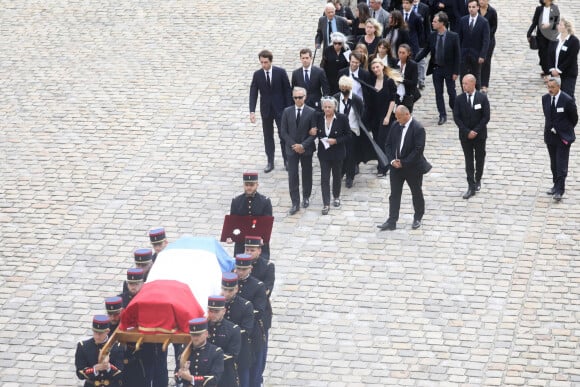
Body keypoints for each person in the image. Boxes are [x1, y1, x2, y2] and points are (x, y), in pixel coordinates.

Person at [378, 105, 429, 230]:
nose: (398, 120)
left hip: (412, 168)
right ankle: (392, 221)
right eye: (396, 117)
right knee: (394, 194)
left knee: (416, 193)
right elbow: (388, 144)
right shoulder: (395, 125)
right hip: (396, 167)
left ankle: (418, 217)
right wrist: (391, 161)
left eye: (399, 117)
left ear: (407, 115)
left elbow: (418, 150)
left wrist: (404, 162)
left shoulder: (418, 128)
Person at [249, 50, 292, 173]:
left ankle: (286, 160)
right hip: (266, 110)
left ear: (271, 61)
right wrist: (252, 111)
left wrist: (288, 109)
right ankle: (270, 161)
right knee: (268, 136)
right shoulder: (257, 75)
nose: (263, 65)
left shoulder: (280, 72)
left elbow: (287, 91)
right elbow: (253, 93)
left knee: (283, 135)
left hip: (280, 109)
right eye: (261, 62)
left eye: (266, 62)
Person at [415, 11, 461, 125]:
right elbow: (426, 51)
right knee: (438, 93)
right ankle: (442, 115)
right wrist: (412, 60)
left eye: (435, 21)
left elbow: (457, 55)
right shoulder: (432, 36)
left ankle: (456, 112)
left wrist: (456, 71)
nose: (432, 23)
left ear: (442, 23)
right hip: (437, 69)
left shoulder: (453, 36)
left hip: (449, 69)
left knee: (451, 92)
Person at [310, 97, 351, 215]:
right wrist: (312, 131)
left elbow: (348, 136)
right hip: (324, 154)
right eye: (325, 107)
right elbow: (313, 127)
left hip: (337, 153)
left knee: (337, 176)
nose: (327, 109)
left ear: (335, 108)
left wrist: (336, 141)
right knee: (324, 178)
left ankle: (336, 196)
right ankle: (326, 203)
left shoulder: (342, 118)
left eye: (330, 107)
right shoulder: (318, 117)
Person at [280, 87, 317, 215]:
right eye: (295, 97)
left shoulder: (311, 112)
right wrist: (294, 145)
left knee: (307, 173)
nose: (297, 100)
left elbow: (313, 133)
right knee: (293, 176)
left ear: (305, 97)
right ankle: (295, 202)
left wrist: (303, 145)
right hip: (291, 149)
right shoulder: (287, 111)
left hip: (306, 149)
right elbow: (283, 132)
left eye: (300, 97)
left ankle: (306, 196)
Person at [452, 74, 490, 199]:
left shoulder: (482, 98)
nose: (463, 86)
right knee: (469, 160)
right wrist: (467, 131)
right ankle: (470, 185)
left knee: (479, 158)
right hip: (465, 136)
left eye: (466, 83)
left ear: (473, 84)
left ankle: (478, 178)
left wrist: (476, 131)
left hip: (479, 136)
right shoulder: (459, 99)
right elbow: (456, 117)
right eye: (462, 83)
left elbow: (486, 117)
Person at [244, 236, 275, 386]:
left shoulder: (267, 266)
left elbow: (266, 291)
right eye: (247, 249)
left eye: (252, 250)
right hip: (242, 316)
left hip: (260, 315)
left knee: (259, 351)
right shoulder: (238, 265)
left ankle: (257, 380)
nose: (249, 252)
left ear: (259, 250)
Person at [234, 254, 267, 387]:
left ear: (250, 269)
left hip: (250, 334)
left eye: (244, 269)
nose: (240, 272)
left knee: (253, 371)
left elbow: (259, 311)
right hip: (231, 334)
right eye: (238, 269)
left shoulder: (257, 286)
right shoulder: (229, 283)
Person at [542, 77, 577, 201]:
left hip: (563, 137)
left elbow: (574, 119)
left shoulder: (567, 100)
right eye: (548, 87)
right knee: (553, 163)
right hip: (550, 137)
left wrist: (564, 129)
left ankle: (560, 190)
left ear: (558, 87)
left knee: (561, 164)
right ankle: (555, 185)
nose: (550, 89)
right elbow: (547, 115)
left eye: (552, 87)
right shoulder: (545, 99)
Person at [366, 58, 399, 177]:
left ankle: (383, 167)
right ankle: (383, 162)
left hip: (386, 116)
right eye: (373, 68)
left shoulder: (389, 81)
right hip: (375, 116)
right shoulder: (372, 80)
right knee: (377, 140)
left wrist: (388, 116)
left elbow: (392, 100)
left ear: (382, 66)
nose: (375, 69)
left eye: (377, 67)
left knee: (382, 141)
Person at [221, 273, 254, 387]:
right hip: (222, 352)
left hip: (241, 352)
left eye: (230, 290)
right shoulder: (216, 306)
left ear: (236, 289)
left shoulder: (246, 306)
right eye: (225, 290)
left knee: (243, 381)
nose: (227, 293)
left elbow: (246, 331)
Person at [229, 172, 273, 259]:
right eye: (246, 185)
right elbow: (232, 222)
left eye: (252, 185)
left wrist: (262, 238)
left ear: (257, 185)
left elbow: (267, 224)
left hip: (259, 244)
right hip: (242, 244)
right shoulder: (236, 201)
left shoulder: (265, 202)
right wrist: (231, 235)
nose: (249, 187)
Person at [334, 76, 366, 188]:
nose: (344, 90)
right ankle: (340, 172)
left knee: (351, 155)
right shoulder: (336, 98)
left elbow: (362, 115)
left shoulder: (357, 100)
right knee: (340, 154)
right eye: (342, 88)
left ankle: (350, 176)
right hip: (340, 131)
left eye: (346, 88)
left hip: (353, 130)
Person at [75, 315, 123, 387]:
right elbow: (80, 373)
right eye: (95, 332)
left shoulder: (116, 346)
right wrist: (95, 368)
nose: (97, 336)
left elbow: (120, 373)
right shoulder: (83, 346)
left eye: (100, 333)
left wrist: (108, 366)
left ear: (107, 331)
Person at [176, 318, 224, 387]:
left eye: (198, 335)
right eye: (193, 335)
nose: (195, 338)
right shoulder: (184, 350)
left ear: (206, 334)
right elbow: (176, 373)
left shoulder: (216, 352)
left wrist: (191, 378)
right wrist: (181, 374)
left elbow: (214, 379)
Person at [207, 296, 242, 387]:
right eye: (211, 311)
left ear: (224, 311)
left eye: (217, 311)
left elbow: (232, 355)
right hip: (205, 373)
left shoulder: (233, 330)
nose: (213, 314)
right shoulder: (203, 328)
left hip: (225, 373)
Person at [457, 0, 490, 90]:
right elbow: (459, 38)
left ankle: (476, 96)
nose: (471, 9)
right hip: (464, 54)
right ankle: (465, 95)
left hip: (476, 55)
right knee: (463, 76)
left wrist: (482, 55)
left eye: (473, 7)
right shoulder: (463, 20)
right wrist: (458, 53)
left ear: (478, 7)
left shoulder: (483, 22)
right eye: (469, 7)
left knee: (476, 77)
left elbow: (486, 40)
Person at [548, 17, 579, 98]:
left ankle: (572, 111)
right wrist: (552, 69)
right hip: (554, 73)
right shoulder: (554, 38)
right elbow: (549, 54)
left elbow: (570, 59)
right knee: (556, 96)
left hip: (568, 73)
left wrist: (558, 70)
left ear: (566, 27)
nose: (557, 26)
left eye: (560, 24)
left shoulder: (574, 41)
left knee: (567, 96)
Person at [527, 0, 560, 77]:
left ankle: (548, 72)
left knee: (550, 52)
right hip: (541, 35)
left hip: (552, 35)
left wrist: (548, 25)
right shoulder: (539, 9)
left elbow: (556, 22)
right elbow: (534, 22)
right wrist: (529, 33)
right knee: (542, 53)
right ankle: (545, 69)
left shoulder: (555, 8)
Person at [478, 0, 497, 93]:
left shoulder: (492, 12)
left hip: (489, 41)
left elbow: (494, 27)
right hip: (477, 41)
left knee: (486, 62)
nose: (481, 1)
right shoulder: (475, 10)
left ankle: (484, 84)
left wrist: (486, 36)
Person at [396, 44, 420, 113]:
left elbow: (414, 82)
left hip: (407, 94)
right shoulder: (395, 62)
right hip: (396, 93)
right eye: (399, 52)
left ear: (408, 53)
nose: (401, 55)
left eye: (403, 53)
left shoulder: (412, 65)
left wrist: (402, 80)